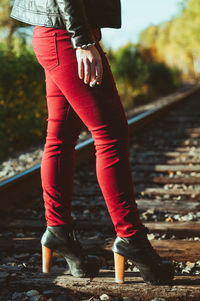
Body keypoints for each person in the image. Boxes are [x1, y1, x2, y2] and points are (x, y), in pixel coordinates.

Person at [10, 0, 174, 284]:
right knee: (110, 134)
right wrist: (83, 40)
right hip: (67, 36)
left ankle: (59, 233)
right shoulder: (76, 38)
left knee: (60, 137)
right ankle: (130, 238)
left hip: (53, 31)